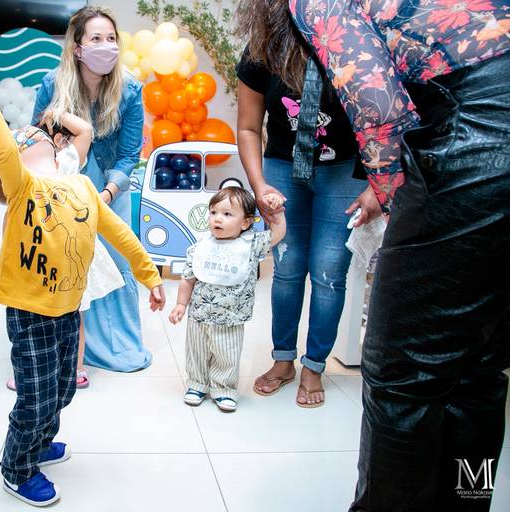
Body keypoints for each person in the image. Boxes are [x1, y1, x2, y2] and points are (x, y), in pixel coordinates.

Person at [287, 1, 510, 509]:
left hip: (477, 144)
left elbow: (378, 107)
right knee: (480, 370)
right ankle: (467, 498)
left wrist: (397, 201)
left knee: (403, 377)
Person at [0, 43, 166, 507]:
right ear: (10, 163)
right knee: (35, 398)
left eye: (38, 133)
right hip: (29, 311)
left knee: (61, 391)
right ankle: (17, 468)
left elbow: (117, 231)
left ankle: (39, 442)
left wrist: (150, 275)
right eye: (23, 138)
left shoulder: (79, 184)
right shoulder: (23, 185)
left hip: (67, 308)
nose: (31, 134)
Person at [235, 0, 380, 408]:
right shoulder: (263, 47)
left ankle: (314, 364)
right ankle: (283, 361)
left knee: (329, 272)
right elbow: (248, 127)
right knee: (287, 268)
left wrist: (377, 186)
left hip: (345, 172)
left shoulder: (359, 43)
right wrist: (259, 183)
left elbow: (383, 120)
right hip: (282, 168)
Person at [33, 5, 151, 372]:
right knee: (68, 261)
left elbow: (130, 154)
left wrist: (106, 196)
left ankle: (118, 346)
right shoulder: (52, 85)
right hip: (64, 185)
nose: (106, 46)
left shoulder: (130, 90)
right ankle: (68, 347)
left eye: (112, 38)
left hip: (111, 187)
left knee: (116, 261)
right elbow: (35, 140)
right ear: (78, 48)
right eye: (96, 38)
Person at [2, 113, 125, 391]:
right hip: (41, 251)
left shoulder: (67, 158)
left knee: (72, 315)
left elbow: (85, 130)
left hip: (69, 250)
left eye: (44, 137)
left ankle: (75, 368)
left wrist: (54, 115)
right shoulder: (30, 165)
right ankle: (37, 371)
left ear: (57, 140)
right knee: (35, 316)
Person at [169, 187, 286, 412]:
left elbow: (278, 234)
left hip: (231, 317)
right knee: (196, 352)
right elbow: (187, 279)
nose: (217, 219)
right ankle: (197, 383)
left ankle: (223, 388)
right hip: (199, 315)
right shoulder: (200, 247)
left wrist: (277, 212)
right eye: (213, 212)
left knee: (227, 354)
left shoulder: (251, 245)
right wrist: (181, 304)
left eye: (227, 214)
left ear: (246, 222)